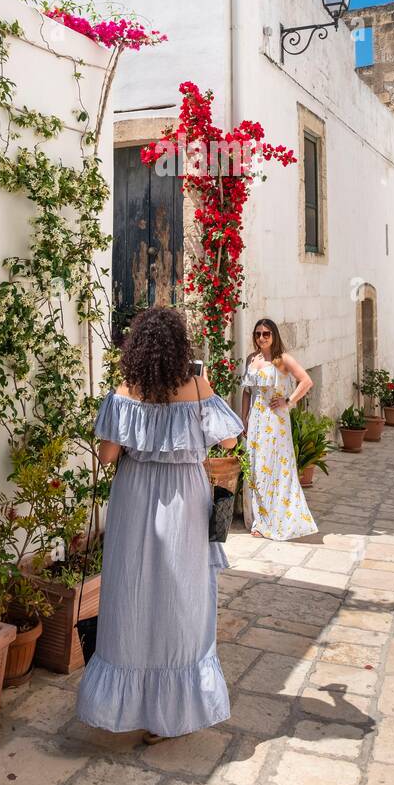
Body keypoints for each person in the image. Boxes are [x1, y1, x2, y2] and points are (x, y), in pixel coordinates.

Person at [75, 306, 243, 744]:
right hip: (185, 498)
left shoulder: (125, 388)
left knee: (131, 592)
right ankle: (168, 713)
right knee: (181, 597)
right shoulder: (195, 385)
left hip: (134, 497)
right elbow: (228, 439)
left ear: (137, 348)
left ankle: (126, 707)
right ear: (177, 347)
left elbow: (108, 456)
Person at [241, 318, 317, 541]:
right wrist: (243, 417)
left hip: (275, 420)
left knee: (274, 466)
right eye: (257, 334)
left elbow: (306, 381)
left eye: (266, 334)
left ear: (273, 335)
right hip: (256, 418)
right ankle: (260, 520)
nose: (261, 338)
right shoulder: (251, 359)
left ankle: (277, 519)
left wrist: (288, 401)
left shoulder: (282, 359)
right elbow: (247, 392)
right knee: (256, 466)